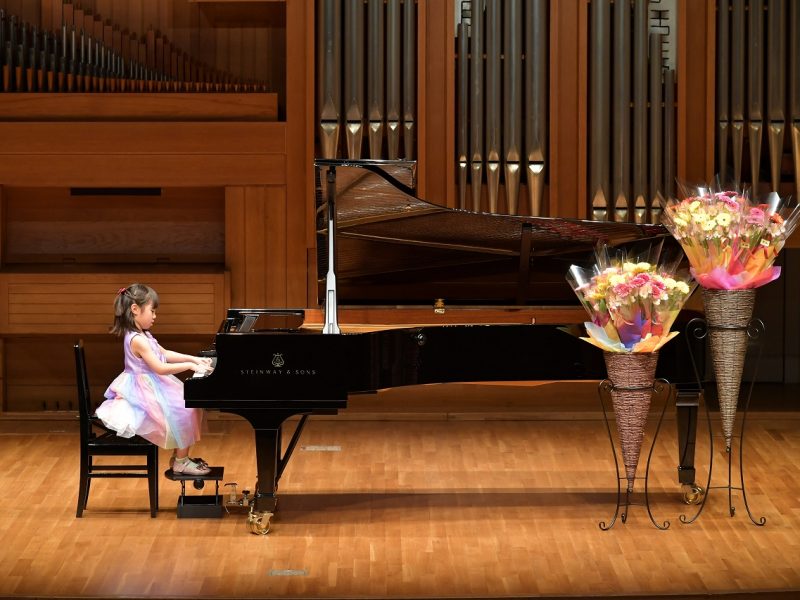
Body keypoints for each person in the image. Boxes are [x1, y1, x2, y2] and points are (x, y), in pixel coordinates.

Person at [95, 283, 212, 476]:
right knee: (186, 409)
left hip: (154, 384)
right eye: (152, 311)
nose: (155, 316)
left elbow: (163, 353)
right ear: (135, 309)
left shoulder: (144, 334)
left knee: (190, 405)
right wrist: (190, 366)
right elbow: (160, 367)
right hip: (143, 389)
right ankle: (181, 461)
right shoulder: (137, 339)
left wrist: (193, 358)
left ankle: (180, 457)